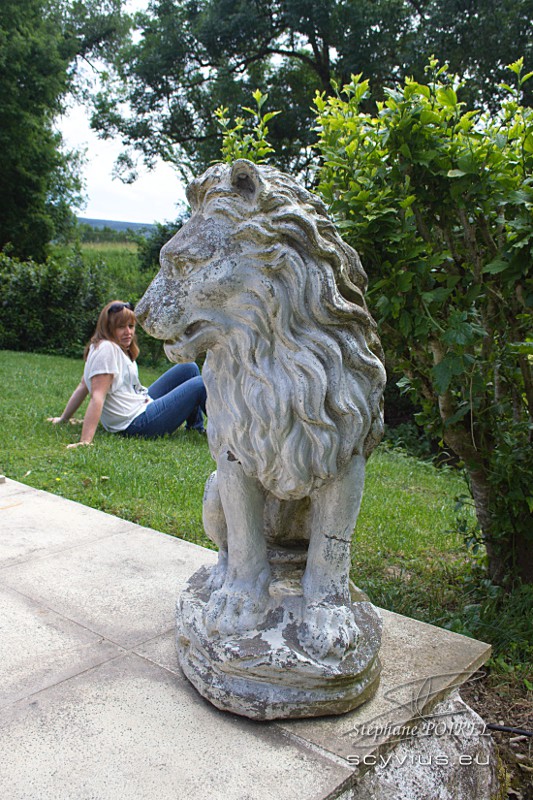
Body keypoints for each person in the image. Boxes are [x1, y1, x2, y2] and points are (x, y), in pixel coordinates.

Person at [48, 301, 207, 449]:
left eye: (131, 326)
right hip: (136, 423)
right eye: (121, 327)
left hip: (140, 405)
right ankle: (228, 433)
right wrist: (85, 441)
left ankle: (195, 427)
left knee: (188, 367)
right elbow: (96, 395)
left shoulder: (104, 347)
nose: (128, 332)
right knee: (200, 384)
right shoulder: (107, 350)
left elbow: (83, 386)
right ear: (108, 327)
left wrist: (64, 419)